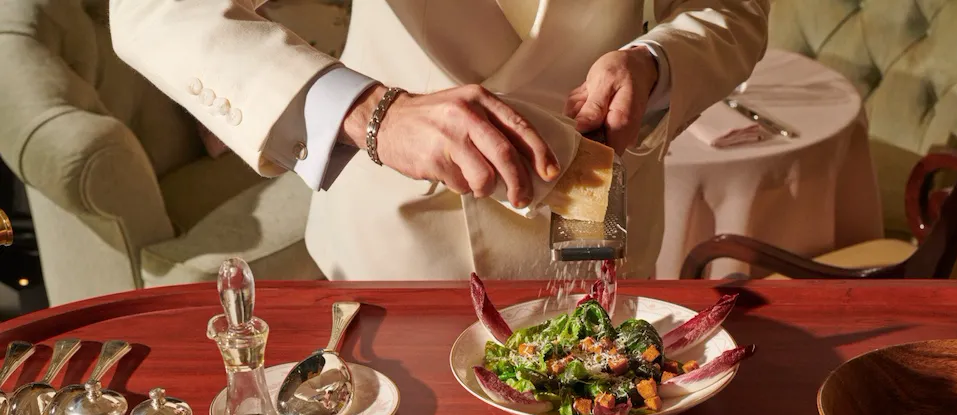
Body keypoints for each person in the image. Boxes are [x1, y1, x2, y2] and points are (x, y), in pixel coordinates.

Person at [109, 0, 769, 280]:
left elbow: (731, 8)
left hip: (594, 215)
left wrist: (657, 63)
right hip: (403, 245)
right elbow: (154, 10)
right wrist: (374, 113)